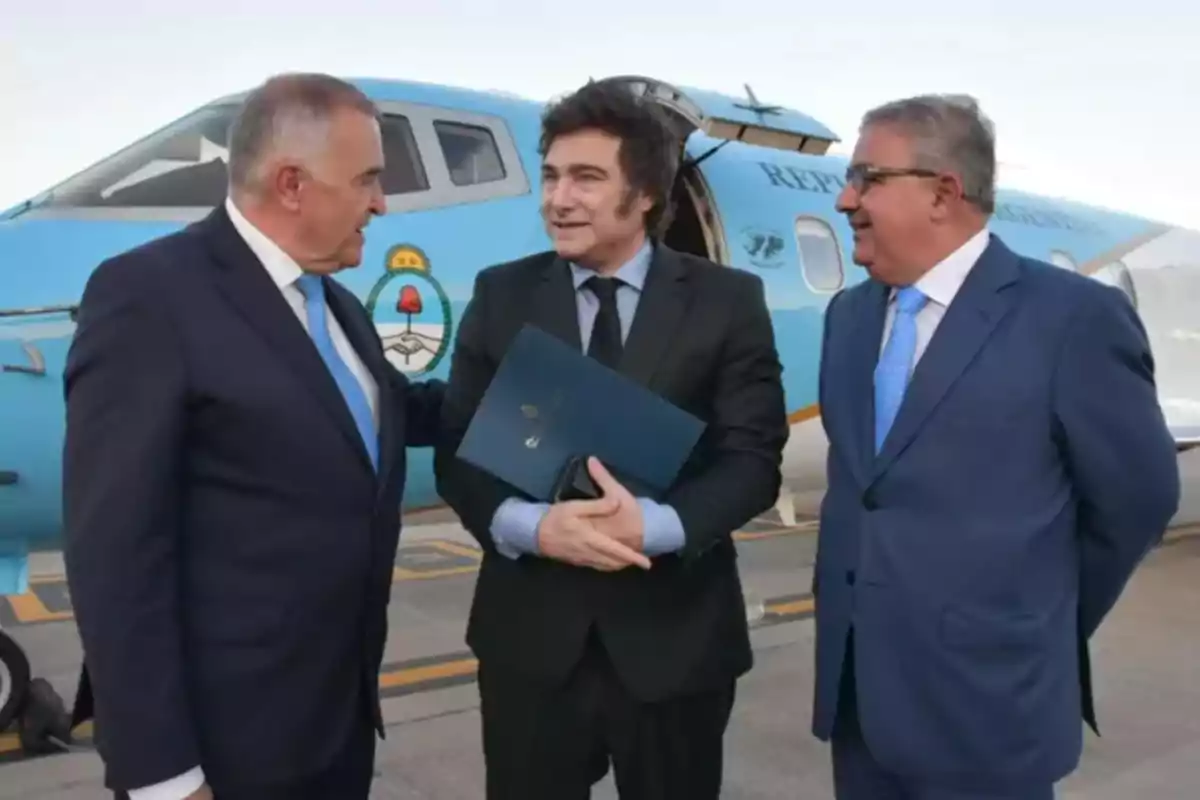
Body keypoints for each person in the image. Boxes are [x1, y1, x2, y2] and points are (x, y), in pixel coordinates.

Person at [62, 73, 444, 799]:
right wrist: (164, 778)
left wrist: (546, 404)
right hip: (223, 754)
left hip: (335, 733)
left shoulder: (335, 305)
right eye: (366, 179)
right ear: (293, 184)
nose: (380, 203)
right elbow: (115, 556)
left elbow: (388, 415)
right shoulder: (149, 296)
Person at [811, 93, 1181, 799]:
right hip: (860, 703)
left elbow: (1138, 501)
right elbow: (867, 488)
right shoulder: (849, 317)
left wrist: (1036, 618)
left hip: (991, 704)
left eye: (866, 177)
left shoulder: (1071, 318)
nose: (844, 197)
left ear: (943, 192)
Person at [434, 78, 789, 799]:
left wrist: (653, 526)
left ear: (648, 193)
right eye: (553, 176)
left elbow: (752, 461)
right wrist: (530, 527)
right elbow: (458, 451)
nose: (558, 199)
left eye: (587, 179)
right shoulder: (501, 296)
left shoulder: (727, 303)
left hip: (675, 648)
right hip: (530, 649)